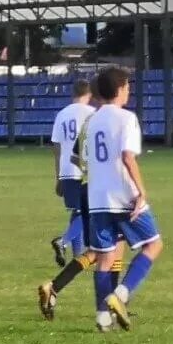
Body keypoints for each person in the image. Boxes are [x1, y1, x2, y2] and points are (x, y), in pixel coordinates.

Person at [37, 78, 124, 322]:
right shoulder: (100, 117)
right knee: (112, 244)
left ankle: (56, 286)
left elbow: (61, 150)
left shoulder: (65, 114)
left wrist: (60, 175)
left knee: (98, 245)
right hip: (100, 184)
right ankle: (110, 304)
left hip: (76, 177)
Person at [85, 66, 164, 331]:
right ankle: (121, 295)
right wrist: (141, 191)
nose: (129, 90)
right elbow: (127, 157)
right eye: (127, 86)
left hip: (97, 197)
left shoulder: (93, 120)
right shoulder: (126, 118)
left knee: (105, 258)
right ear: (120, 89)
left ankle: (102, 317)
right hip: (123, 195)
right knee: (154, 245)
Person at [48, 79, 95, 267]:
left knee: (77, 213)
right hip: (86, 169)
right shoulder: (92, 114)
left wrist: (58, 176)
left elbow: (57, 148)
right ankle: (63, 241)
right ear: (89, 94)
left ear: (72, 93)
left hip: (67, 169)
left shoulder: (61, 114)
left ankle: (78, 257)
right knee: (86, 213)